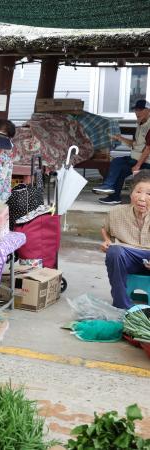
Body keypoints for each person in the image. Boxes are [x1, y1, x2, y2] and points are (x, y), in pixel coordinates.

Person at [100, 170, 150, 309]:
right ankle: (122, 306)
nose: (142, 198)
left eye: (149, 194)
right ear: (131, 192)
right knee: (115, 252)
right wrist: (107, 241)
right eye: (138, 192)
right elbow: (105, 229)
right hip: (129, 257)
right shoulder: (116, 212)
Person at [93, 99, 150, 205]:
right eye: (136, 110)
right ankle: (114, 197)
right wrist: (119, 138)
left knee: (118, 162)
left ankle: (108, 186)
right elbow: (135, 143)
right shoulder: (140, 124)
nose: (137, 112)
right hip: (135, 159)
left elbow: (148, 148)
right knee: (120, 168)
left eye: (140, 110)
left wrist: (138, 166)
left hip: (145, 163)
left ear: (148, 110)